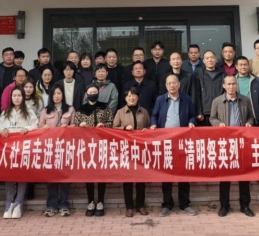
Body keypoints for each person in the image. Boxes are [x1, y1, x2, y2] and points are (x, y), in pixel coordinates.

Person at [151, 73, 197, 217]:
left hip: (182, 141)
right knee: (166, 174)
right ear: (166, 86)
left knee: (184, 173)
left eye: (174, 83)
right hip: (165, 141)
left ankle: (184, 204)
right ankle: (167, 204)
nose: (172, 85)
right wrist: (153, 124)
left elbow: (192, 115)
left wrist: (192, 122)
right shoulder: (160, 99)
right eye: (169, 83)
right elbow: (154, 115)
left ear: (179, 84)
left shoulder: (186, 99)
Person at [209, 76, 255, 218]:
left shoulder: (245, 100)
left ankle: (245, 205)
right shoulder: (217, 101)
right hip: (225, 143)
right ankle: (224, 205)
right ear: (224, 86)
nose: (231, 86)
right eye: (228, 84)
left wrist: (249, 123)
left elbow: (251, 116)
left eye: (233, 84)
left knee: (244, 175)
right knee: (225, 175)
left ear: (237, 85)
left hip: (242, 142)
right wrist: (218, 124)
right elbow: (212, 118)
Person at [0, 87, 38, 219]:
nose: (16, 98)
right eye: (14, 95)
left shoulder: (29, 111)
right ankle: (9, 202)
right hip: (9, 149)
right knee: (9, 175)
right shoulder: (5, 113)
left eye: (19, 95)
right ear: (11, 97)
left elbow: (35, 126)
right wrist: (2, 129)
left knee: (21, 175)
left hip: (23, 149)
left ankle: (19, 203)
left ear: (23, 97)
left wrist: (27, 128)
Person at [75, 85, 114, 217]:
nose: (92, 94)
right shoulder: (80, 110)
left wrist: (104, 125)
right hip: (87, 146)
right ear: (86, 94)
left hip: (102, 145)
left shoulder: (105, 107)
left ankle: (101, 201)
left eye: (95, 92)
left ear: (98, 93)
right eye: (90, 92)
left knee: (101, 173)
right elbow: (75, 127)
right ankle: (91, 201)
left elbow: (111, 123)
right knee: (89, 174)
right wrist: (80, 126)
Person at [39, 84, 76, 218]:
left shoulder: (70, 109)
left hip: (65, 148)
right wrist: (44, 128)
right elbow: (39, 127)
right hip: (50, 148)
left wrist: (68, 127)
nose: (56, 96)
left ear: (63, 95)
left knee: (65, 176)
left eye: (59, 93)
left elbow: (75, 125)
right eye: (54, 94)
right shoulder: (45, 111)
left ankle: (64, 204)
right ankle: (51, 205)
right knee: (51, 177)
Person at [113, 87, 150, 217]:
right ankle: (129, 206)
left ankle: (140, 205)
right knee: (127, 179)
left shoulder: (144, 111)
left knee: (141, 179)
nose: (131, 98)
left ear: (138, 97)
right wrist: (124, 128)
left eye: (134, 95)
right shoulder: (120, 112)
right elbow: (113, 128)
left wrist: (147, 130)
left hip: (141, 149)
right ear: (125, 98)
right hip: (126, 150)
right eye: (129, 96)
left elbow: (149, 126)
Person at [192, 50, 224, 126]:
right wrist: (198, 112)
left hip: (220, 112)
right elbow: (196, 94)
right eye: (207, 58)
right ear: (203, 61)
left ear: (216, 59)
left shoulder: (223, 74)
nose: (210, 60)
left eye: (212, 57)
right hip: (204, 113)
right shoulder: (198, 74)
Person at [234, 56, 259, 126]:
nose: (243, 67)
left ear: (248, 66)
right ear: (236, 67)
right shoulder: (232, 80)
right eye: (241, 65)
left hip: (253, 114)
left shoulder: (256, 80)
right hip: (237, 114)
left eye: (245, 65)